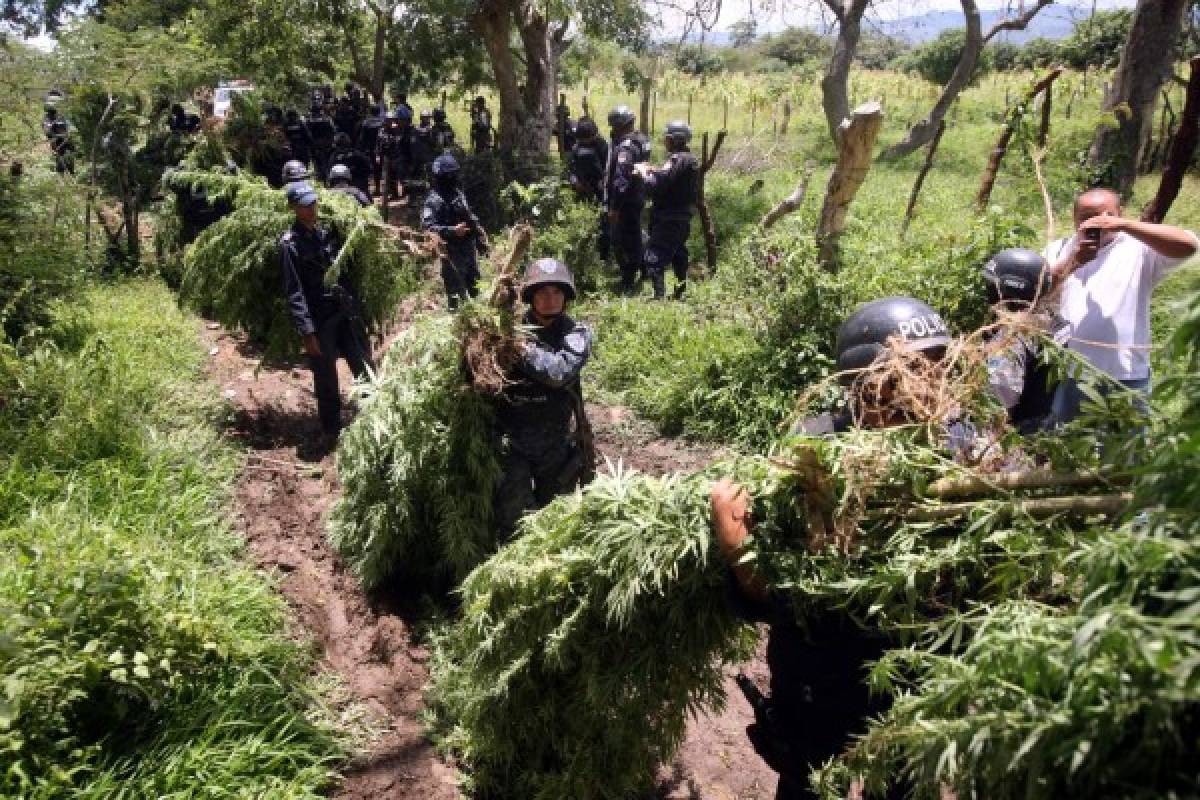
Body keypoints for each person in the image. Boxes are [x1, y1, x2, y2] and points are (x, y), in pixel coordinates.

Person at [712, 297, 952, 800]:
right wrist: (739, 553)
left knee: (905, 782)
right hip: (820, 668)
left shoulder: (961, 453)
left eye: (935, 368)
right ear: (861, 379)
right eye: (910, 372)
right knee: (807, 777)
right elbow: (775, 589)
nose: (925, 386)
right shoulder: (810, 451)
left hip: (912, 667)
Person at [1045, 188, 1198, 423]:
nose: (1096, 222)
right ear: (1074, 217)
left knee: (1126, 455)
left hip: (1126, 376)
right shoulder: (1059, 249)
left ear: (1119, 214)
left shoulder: (1139, 250)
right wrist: (1073, 262)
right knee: (1064, 446)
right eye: (1086, 215)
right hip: (1070, 372)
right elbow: (1036, 290)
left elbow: (1188, 245)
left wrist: (1125, 225)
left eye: (1106, 215)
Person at [493, 258, 593, 539]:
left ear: (566, 296)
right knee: (514, 523)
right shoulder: (505, 329)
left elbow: (558, 373)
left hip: (555, 442)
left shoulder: (577, 334)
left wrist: (521, 349)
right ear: (530, 297)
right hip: (512, 441)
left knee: (556, 521)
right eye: (542, 292)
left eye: (556, 292)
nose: (550, 299)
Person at [278, 181, 375, 445]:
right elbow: (294, 291)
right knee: (326, 377)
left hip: (344, 311)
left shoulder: (328, 232)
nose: (311, 209)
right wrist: (307, 332)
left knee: (363, 363)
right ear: (294, 209)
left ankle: (375, 414)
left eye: (313, 203)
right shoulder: (290, 244)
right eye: (304, 206)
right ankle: (332, 430)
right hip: (320, 320)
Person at [982, 248, 1067, 434]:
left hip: (1022, 434)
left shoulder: (1008, 340)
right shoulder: (1056, 322)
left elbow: (1000, 400)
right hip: (1050, 423)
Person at [635, 120, 698, 300]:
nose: (665, 141)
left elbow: (656, 185)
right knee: (678, 254)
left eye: (667, 138)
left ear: (675, 140)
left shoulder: (677, 159)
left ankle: (659, 298)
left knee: (653, 256)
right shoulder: (689, 159)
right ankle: (679, 292)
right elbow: (670, 178)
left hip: (669, 218)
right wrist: (654, 170)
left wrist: (644, 173)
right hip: (682, 217)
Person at [422, 153, 487, 308]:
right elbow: (428, 227)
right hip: (451, 253)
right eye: (450, 175)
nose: (454, 178)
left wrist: (479, 236)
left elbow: (468, 215)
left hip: (468, 250)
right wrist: (452, 230)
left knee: (477, 291)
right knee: (456, 299)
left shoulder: (457, 193)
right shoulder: (434, 200)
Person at [603, 105, 649, 294]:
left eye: (614, 126)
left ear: (620, 126)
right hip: (637, 196)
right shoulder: (642, 140)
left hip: (626, 201)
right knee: (636, 235)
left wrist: (615, 207)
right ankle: (646, 268)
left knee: (625, 240)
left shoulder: (626, 147)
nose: (612, 130)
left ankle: (629, 279)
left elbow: (621, 179)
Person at [377, 108, 417, 206]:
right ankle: (394, 193)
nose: (398, 122)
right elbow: (386, 141)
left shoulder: (412, 131)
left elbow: (413, 147)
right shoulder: (394, 129)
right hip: (395, 156)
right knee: (391, 174)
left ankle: (408, 195)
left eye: (402, 120)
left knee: (407, 177)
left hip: (408, 158)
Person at [329, 132, 373, 198]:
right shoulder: (358, 154)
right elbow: (369, 168)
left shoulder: (334, 156)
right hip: (350, 186)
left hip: (355, 186)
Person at [357, 103, 386, 196]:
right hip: (382, 149)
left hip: (370, 149)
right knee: (380, 168)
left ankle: (372, 189)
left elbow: (362, 138)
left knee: (371, 169)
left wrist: (361, 149)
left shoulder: (366, 122)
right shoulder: (383, 122)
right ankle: (380, 188)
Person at [306, 103, 338, 185]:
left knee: (317, 165)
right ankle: (327, 180)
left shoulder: (309, 120)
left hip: (316, 145)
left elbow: (307, 134)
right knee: (328, 164)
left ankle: (322, 181)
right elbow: (334, 131)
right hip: (326, 145)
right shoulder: (327, 119)